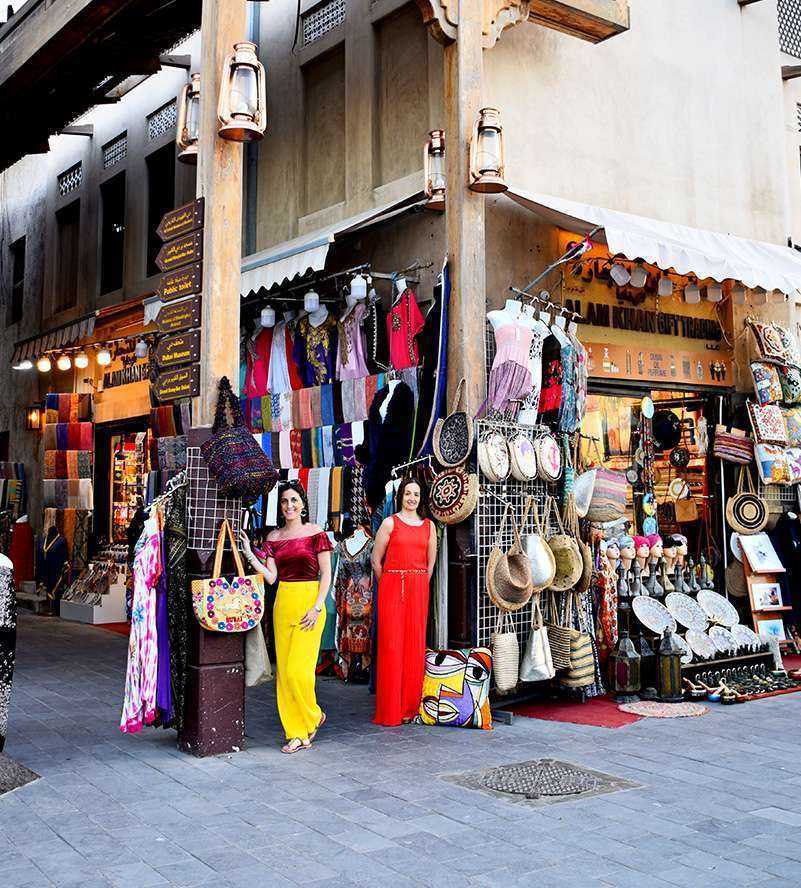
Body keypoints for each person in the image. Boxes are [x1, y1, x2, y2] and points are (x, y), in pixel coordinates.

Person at [241, 481, 332, 754]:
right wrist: (249, 553)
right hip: (283, 605)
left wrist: (317, 607)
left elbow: (326, 574)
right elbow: (271, 578)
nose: (289, 505)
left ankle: (313, 715)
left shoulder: (316, 533)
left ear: (303, 503)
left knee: (298, 672)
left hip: (310, 605)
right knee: (284, 675)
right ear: (280, 507)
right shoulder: (273, 538)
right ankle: (295, 732)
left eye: (294, 500)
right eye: (284, 501)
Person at [371, 477, 437, 726]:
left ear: (421, 498)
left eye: (416, 494)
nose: (412, 498)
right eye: (408, 493)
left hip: (419, 587)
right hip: (392, 587)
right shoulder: (389, 523)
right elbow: (376, 561)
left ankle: (410, 707)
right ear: (400, 496)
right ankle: (391, 710)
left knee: (414, 645)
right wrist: (390, 582)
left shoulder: (428, 526)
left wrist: (417, 582)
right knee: (391, 645)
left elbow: (430, 563)